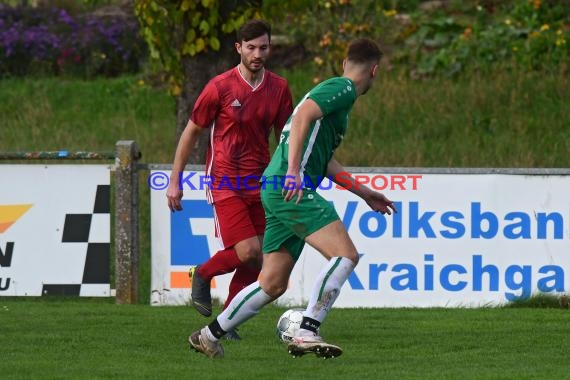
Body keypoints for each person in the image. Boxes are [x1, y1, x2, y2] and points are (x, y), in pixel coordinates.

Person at [188, 37, 397, 359]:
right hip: (289, 188)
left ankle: (208, 335)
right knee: (345, 256)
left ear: (345, 62)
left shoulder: (338, 99)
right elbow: (301, 119)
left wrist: (364, 192)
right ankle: (306, 329)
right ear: (374, 70)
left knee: (272, 283)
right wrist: (294, 171)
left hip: (278, 187)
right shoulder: (342, 89)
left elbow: (324, 160)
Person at [166, 19, 293, 340]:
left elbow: (286, 138)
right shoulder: (220, 87)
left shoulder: (279, 88)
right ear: (239, 48)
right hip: (224, 181)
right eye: (250, 47)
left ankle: (227, 321)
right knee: (249, 251)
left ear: (270, 48)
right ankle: (203, 273)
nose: (257, 53)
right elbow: (191, 131)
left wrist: (291, 173)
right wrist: (175, 179)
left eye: (263, 47)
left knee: (261, 256)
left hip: (261, 182)